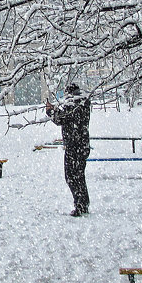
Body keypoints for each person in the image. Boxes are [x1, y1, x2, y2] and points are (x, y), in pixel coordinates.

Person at [46, 83, 91, 217]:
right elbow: (67, 117)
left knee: (72, 177)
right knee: (79, 176)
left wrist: (50, 111)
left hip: (74, 146)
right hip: (82, 145)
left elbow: (61, 118)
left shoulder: (73, 104)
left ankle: (80, 205)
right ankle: (83, 203)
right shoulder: (83, 102)